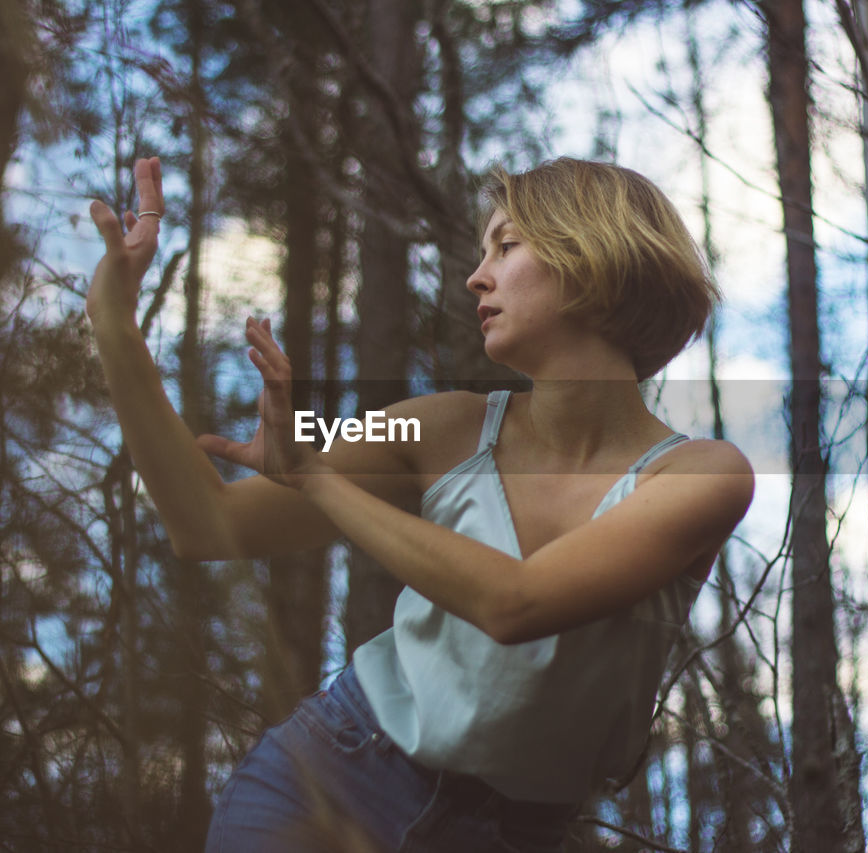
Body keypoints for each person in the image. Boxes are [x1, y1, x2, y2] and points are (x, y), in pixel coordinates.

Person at [87, 155, 754, 852]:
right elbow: (209, 523)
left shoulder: (703, 475)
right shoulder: (440, 428)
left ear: (593, 258)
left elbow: (516, 604)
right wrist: (114, 324)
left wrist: (317, 476)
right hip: (330, 781)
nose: (477, 276)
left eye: (507, 245)